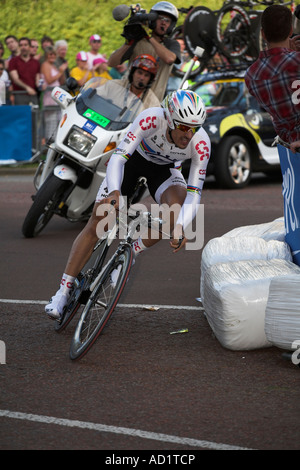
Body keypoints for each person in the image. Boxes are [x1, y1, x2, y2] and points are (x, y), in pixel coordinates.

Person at [45, 89, 210, 319]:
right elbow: (119, 157)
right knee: (99, 219)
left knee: (177, 212)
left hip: (165, 170)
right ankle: (63, 291)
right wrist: (114, 193)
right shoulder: (152, 118)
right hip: (132, 161)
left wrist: (181, 226)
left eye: (195, 128)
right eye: (183, 127)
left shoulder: (200, 143)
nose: (189, 134)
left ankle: (130, 254)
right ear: (170, 119)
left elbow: (194, 192)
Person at [245, 4, 300, 265]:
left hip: (289, 145)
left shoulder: (252, 75)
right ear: (291, 30)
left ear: (263, 34)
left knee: (295, 208)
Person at [108, 1, 181, 101]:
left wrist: (149, 37)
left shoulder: (172, 44)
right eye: (160, 18)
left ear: (171, 25)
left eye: (167, 20)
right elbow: (112, 62)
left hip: (150, 106)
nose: (163, 22)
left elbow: (169, 59)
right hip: (125, 99)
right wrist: (128, 42)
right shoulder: (138, 41)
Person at [40, 46, 68, 142]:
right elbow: (49, 80)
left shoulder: (54, 66)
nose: (52, 56)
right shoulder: (45, 65)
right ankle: (48, 146)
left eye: (54, 54)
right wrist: (60, 72)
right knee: (50, 124)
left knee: (58, 123)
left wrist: (62, 71)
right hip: (50, 98)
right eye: (50, 54)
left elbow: (62, 81)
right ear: (46, 55)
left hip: (56, 98)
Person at [8, 37, 40, 105]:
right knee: (20, 115)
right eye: (21, 45)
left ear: (29, 47)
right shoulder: (13, 61)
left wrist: (41, 85)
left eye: (25, 45)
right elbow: (15, 79)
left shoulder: (36, 62)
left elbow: (37, 79)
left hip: (33, 95)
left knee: (35, 115)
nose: (23, 47)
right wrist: (27, 88)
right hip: (19, 95)